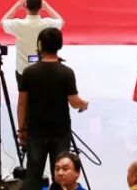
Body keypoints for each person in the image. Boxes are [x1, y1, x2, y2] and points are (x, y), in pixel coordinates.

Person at [18, 27, 88, 190]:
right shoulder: (66, 72)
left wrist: (21, 129)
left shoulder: (29, 72)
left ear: (40, 45)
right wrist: (84, 104)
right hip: (60, 132)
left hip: (36, 131)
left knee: (33, 174)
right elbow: (74, 102)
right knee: (60, 175)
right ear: (60, 45)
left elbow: (22, 103)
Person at [0, 0, 65, 79]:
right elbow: (61, 22)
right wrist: (46, 6)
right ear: (40, 7)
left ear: (25, 6)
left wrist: (16, 6)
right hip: (43, 69)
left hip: (23, 70)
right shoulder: (47, 23)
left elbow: (2, 23)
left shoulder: (18, 24)